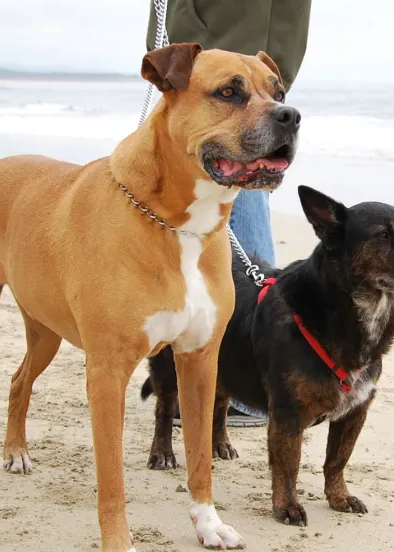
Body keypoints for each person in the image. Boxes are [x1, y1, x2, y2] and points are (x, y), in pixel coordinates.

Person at [146, 0, 312, 426]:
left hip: (225, 45)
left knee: (234, 189)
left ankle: (246, 385)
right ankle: (246, 379)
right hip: (232, 50)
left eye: (276, 99)